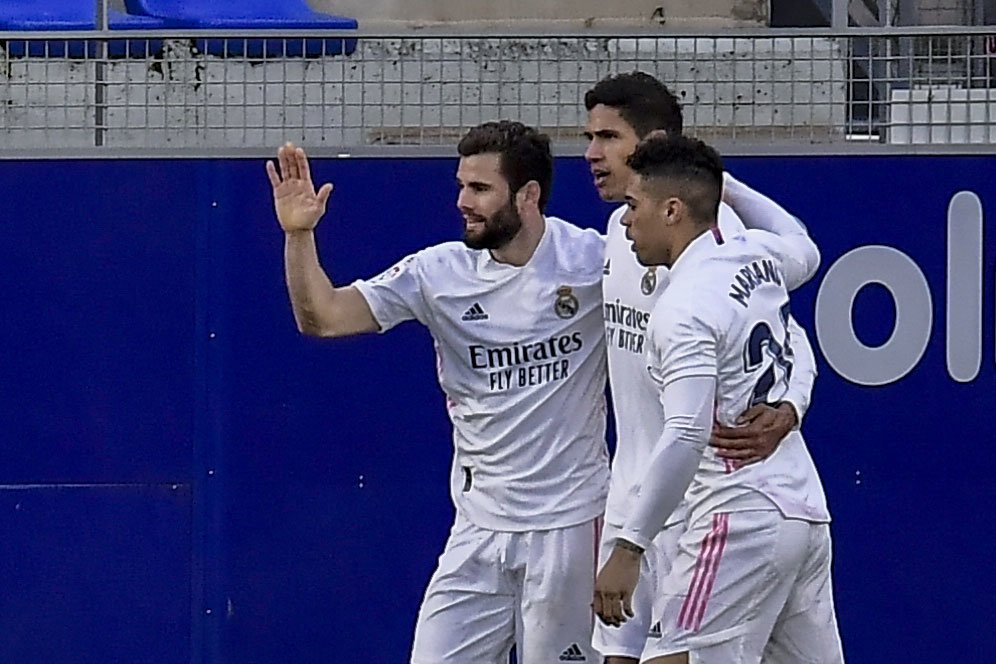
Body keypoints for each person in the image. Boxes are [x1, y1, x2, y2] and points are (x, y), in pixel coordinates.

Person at [266, 120, 607, 663]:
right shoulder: (437, 272)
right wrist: (299, 234)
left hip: (569, 527)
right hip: (477, 527)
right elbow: (323, 317)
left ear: (528, 196)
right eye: (460, 186)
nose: (462, 202)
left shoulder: (596, 262)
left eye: (479, 189)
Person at [583, 71, 820, 663]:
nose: (591, 154)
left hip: (708, 504)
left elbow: (793, 337)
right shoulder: (626, 230)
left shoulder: (707, 260)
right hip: (653, 491)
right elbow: (801, 253)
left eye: (608, 137)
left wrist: (791, 407)